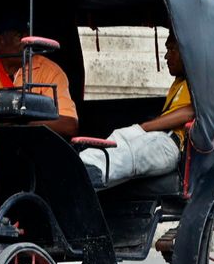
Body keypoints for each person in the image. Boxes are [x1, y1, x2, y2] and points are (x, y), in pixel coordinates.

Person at [79, 34, 193, 189]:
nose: (166, 56)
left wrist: (143, 128)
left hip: (170, 144)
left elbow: (189, 112)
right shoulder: (179, 82)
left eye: (172, 49)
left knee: (133, 150)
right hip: (159, 138)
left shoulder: (197, 84)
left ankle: (87, 168)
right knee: (119, 136)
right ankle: (82, 163)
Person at [0, 14, 78, 135]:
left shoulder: (50, 71)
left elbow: (69, 125)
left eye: (28, 36)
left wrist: (17, 122)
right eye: (19, 35)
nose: (27, 43)